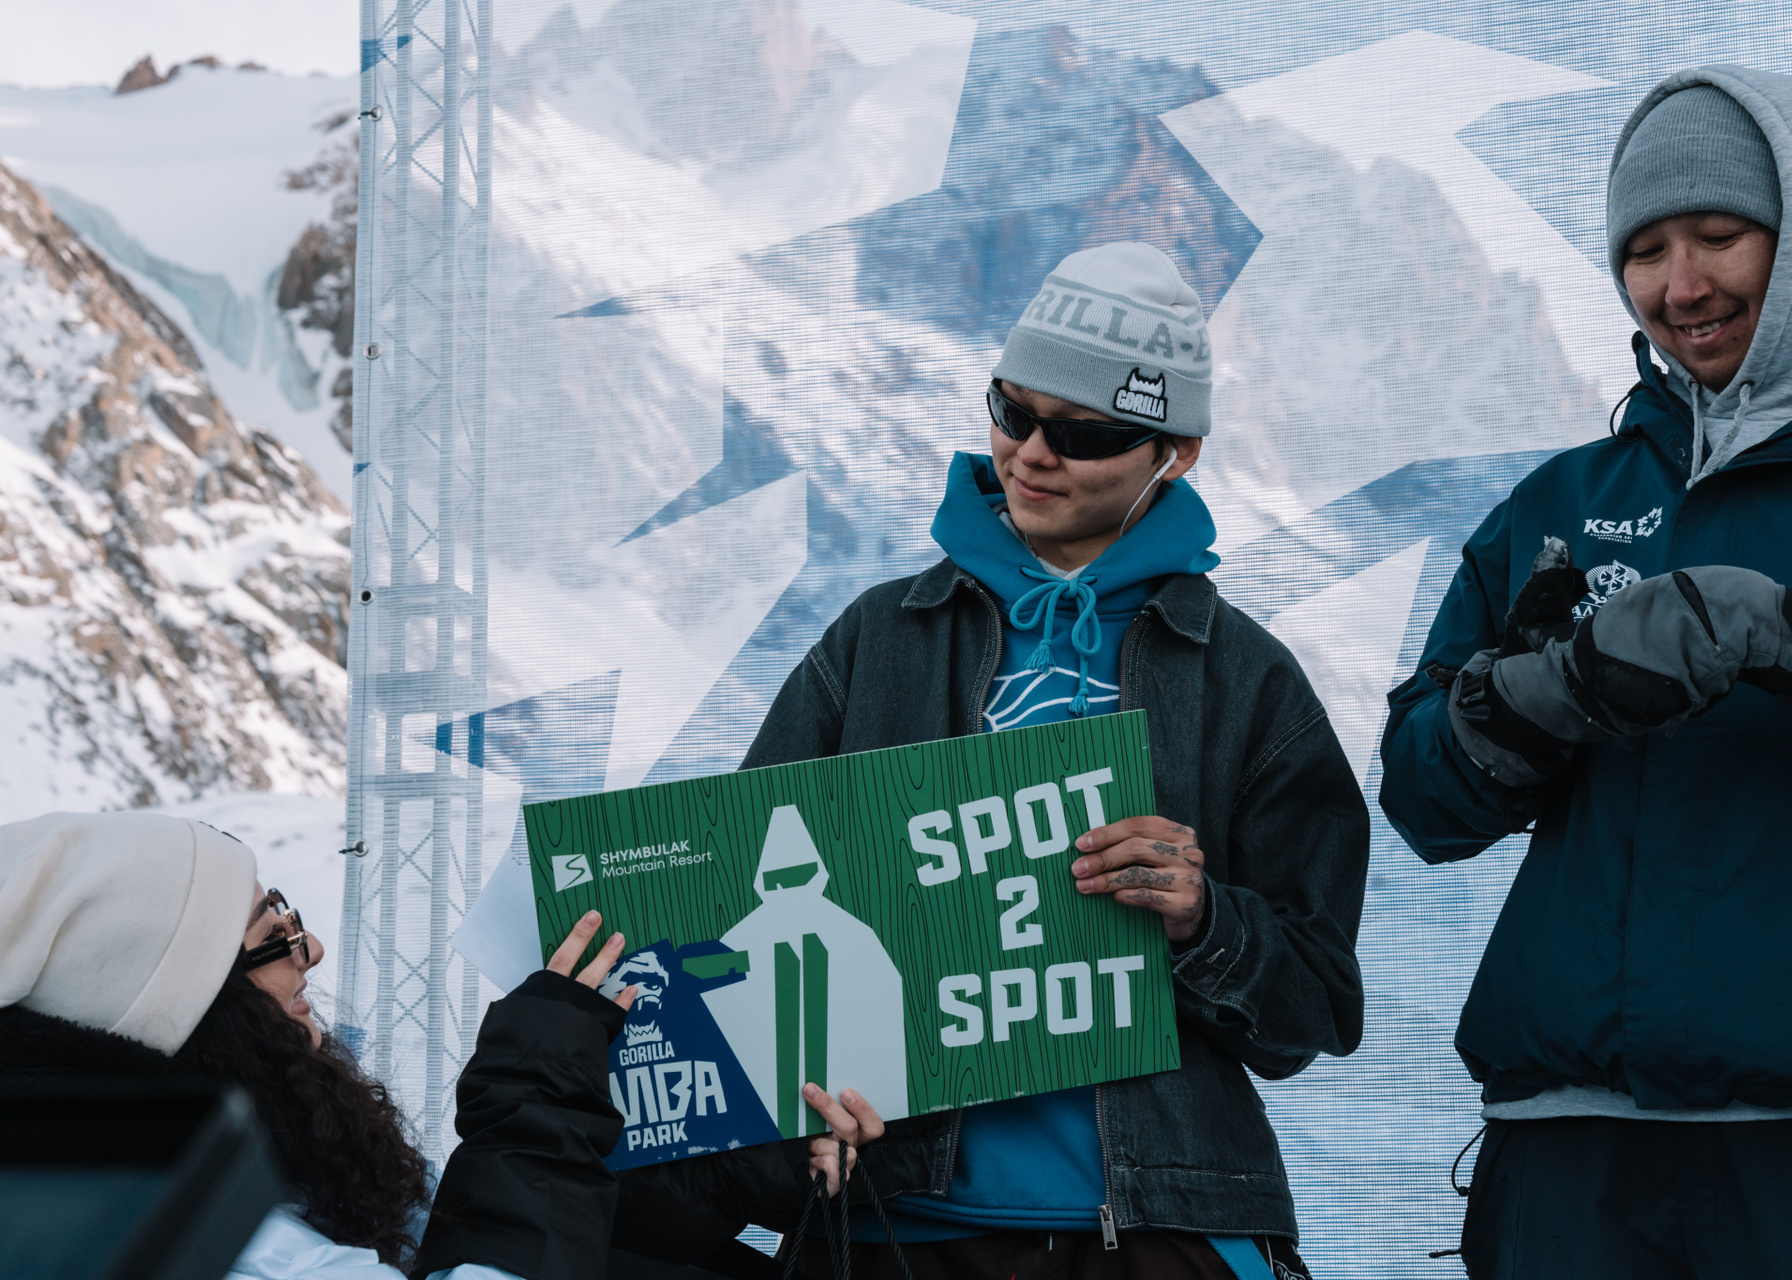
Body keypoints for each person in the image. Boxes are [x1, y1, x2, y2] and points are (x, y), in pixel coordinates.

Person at [1379, 65, 1792, 1278]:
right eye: (1644, 250)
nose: (1682, 286)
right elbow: (1419, 799)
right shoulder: (1564, 499)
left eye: (1719, 235)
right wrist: (1532, 698)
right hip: (1569, 1151)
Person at [742, 242, 1369, 1280]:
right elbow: (743, 905)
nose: (1031, 453)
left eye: (1083, 433)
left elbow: (1315, 1009)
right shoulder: (876, 641)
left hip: (1161, 1225)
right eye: (1012, 411)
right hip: (891, 1217)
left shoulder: (1246, 679)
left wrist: (1202, 919)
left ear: (1178, 451)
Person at [0, 810, 884, 1280]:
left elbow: (463, 1234)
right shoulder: (213, 1248)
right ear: (183, 1002)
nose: (312, 949)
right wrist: (534, 1090)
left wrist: (732, 1171)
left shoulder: (225, 1173)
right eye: (274, 935)